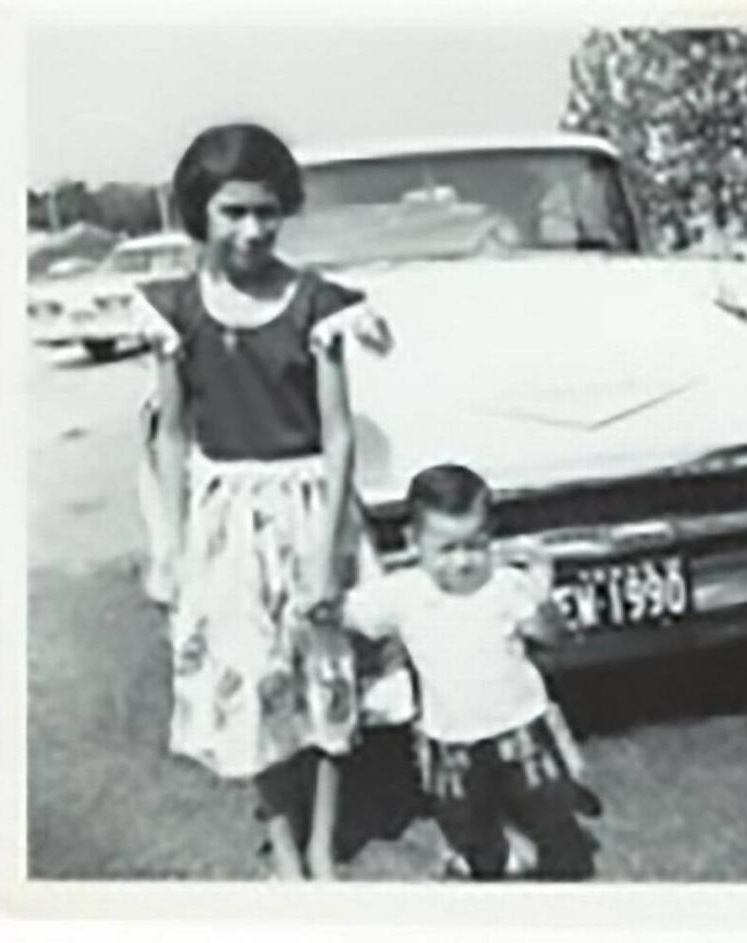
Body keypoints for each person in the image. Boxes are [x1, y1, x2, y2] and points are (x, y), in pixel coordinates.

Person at [137, 123, 410, 880]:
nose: (252, 229)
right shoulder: (176, 311)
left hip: (309, 511)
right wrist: (171, 546)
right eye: (233, 212)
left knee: (326, 676)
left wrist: (326, 558)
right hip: (226, 519)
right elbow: (169, 437)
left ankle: (323, 840)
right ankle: (284, 843)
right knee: (253, 681)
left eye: (266, 211)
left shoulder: (316, 303)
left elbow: (339, 437)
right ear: (202, 212)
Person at [343, 464, 597, 881]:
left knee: (547, 805)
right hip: (451, 737)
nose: (462, 562)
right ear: (414, 541)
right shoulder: (403, 593)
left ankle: (554, 867)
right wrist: (312, 608)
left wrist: (544, 595)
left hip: (519, 724)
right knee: (465, 821)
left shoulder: (505, 585)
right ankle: (484, 859)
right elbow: (352, 614)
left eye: (475, 546)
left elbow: (553, 636)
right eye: (447, 549)